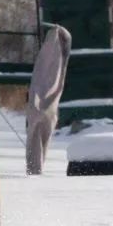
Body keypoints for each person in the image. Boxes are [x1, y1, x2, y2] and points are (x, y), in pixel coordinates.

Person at [25, 24, 72, 175]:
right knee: (39, 129)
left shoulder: (57, 52)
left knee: (40, 129)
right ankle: (35, 168)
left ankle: (34, 168)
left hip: (44, 106)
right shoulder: (55, 53)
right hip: (43, 105)